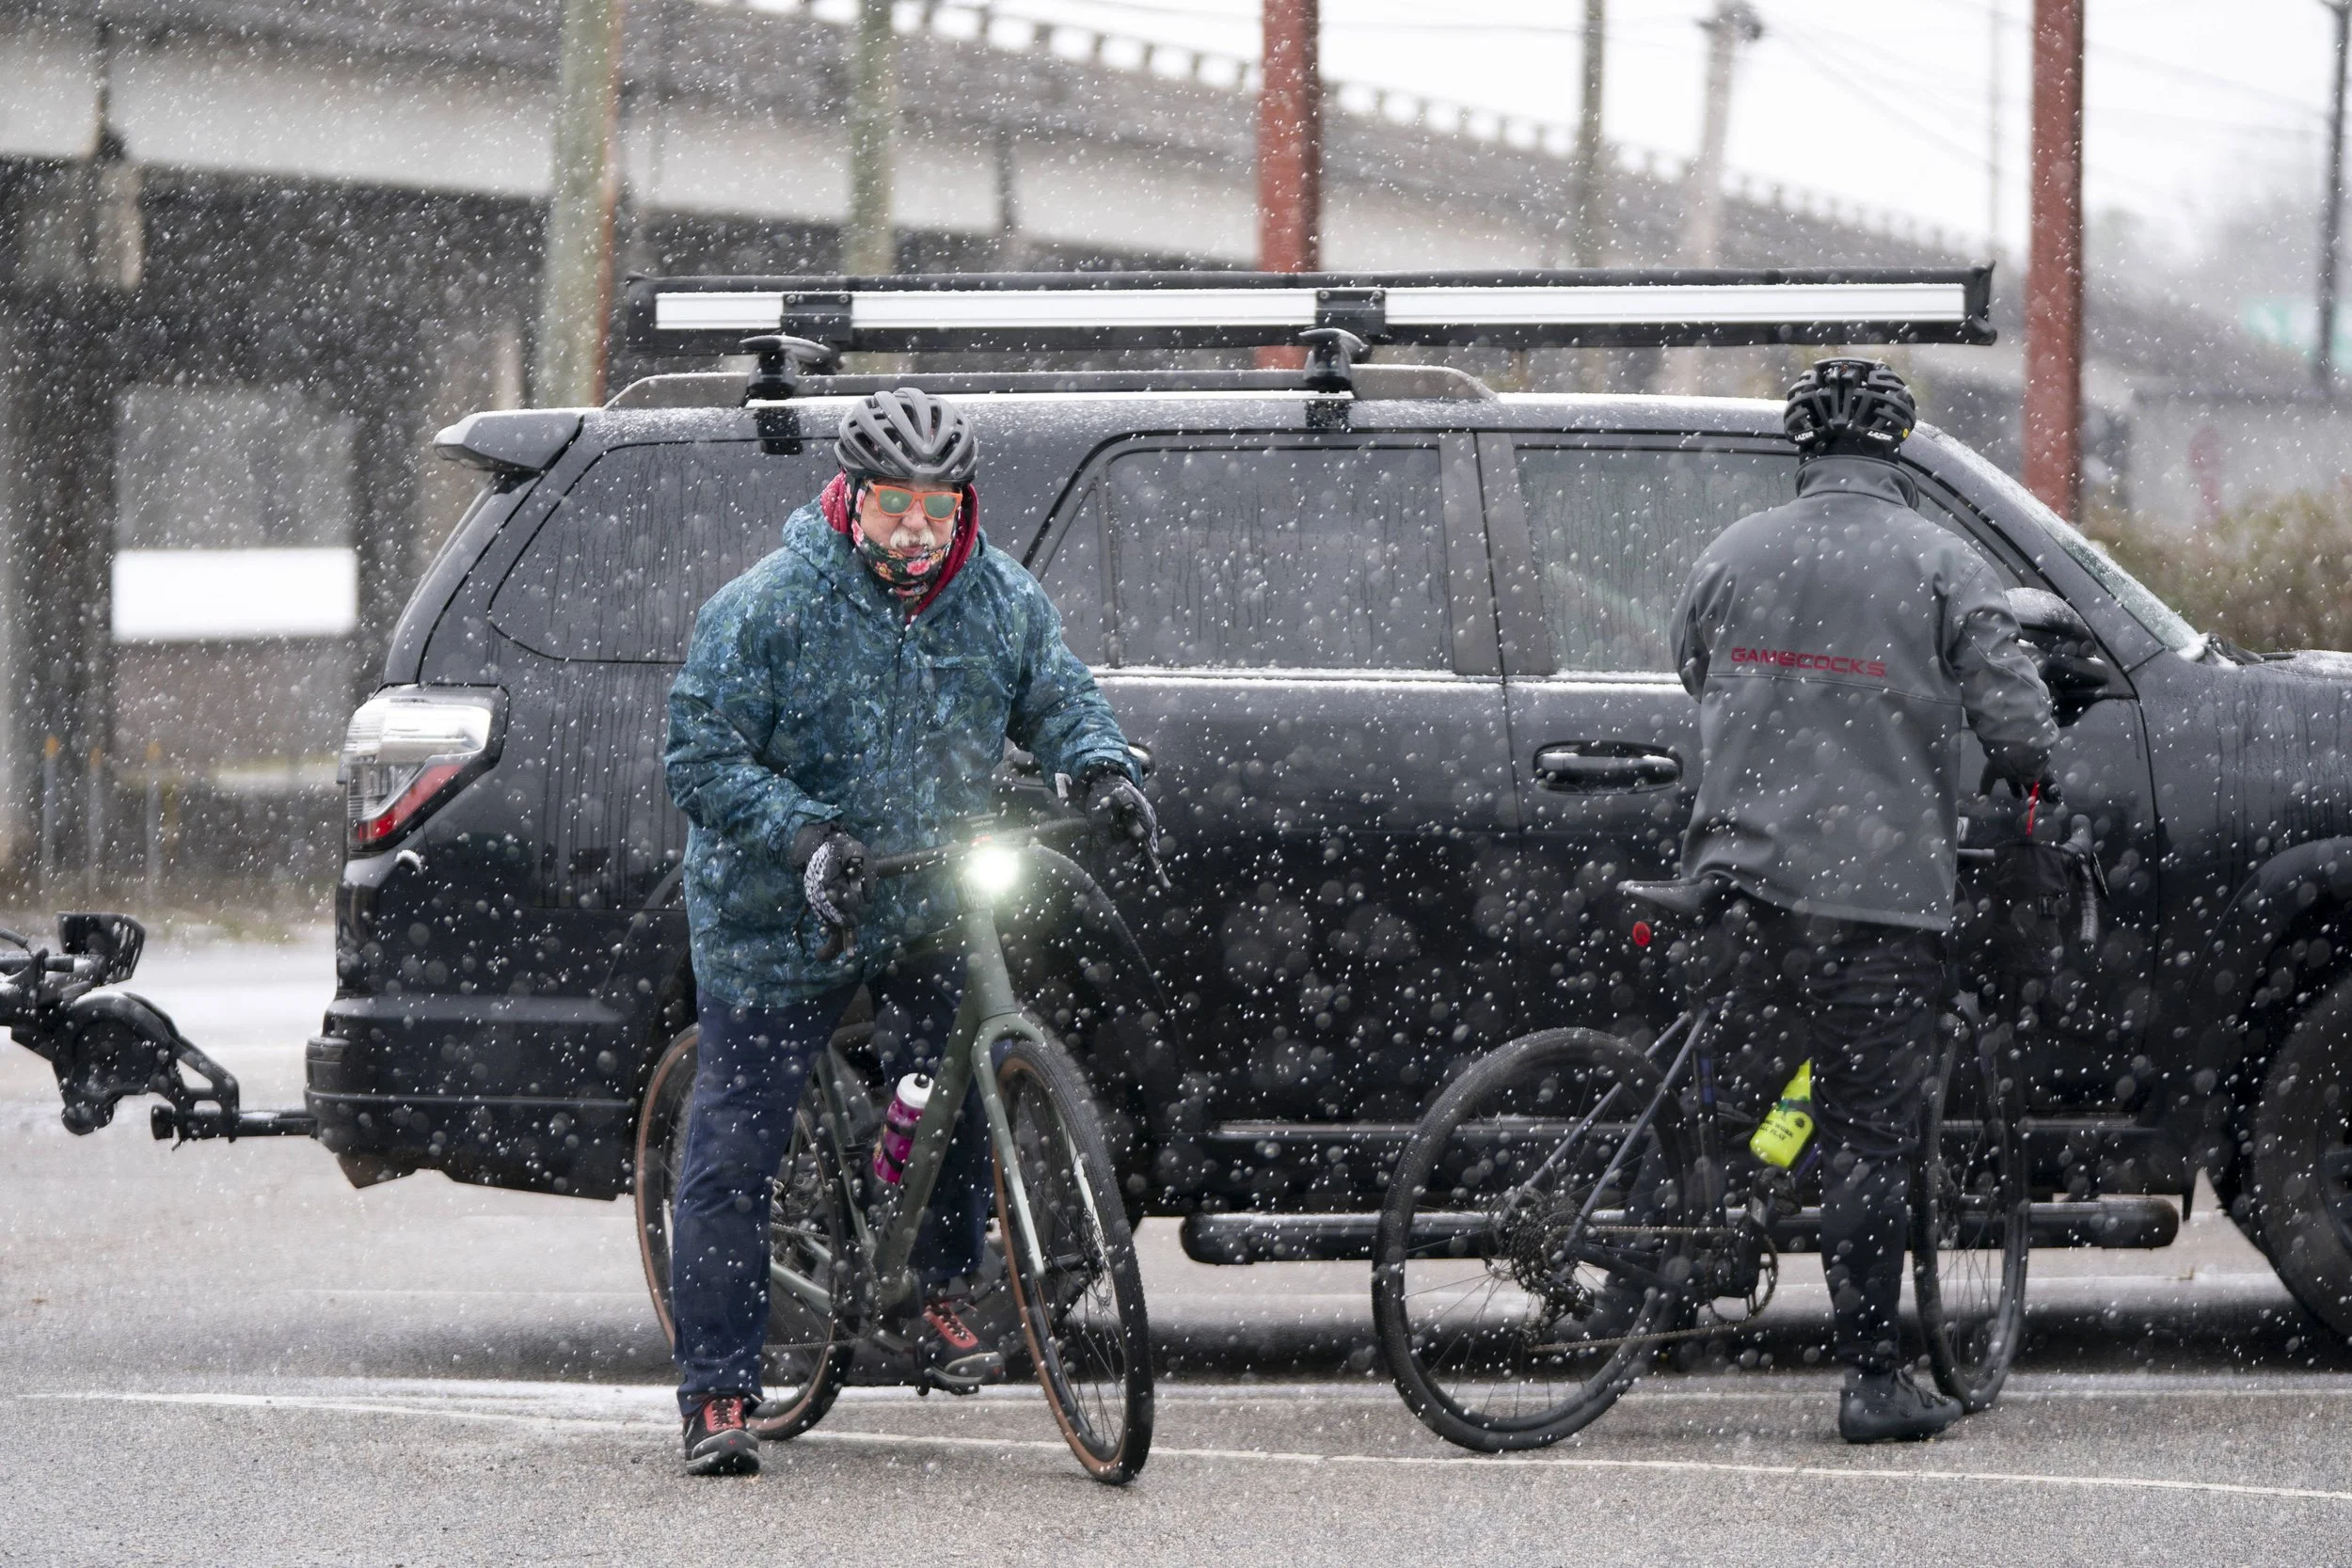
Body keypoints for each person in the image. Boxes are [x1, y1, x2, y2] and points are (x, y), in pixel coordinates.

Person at [662, 388, 1154, 1477]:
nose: (918, 529)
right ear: (850, 498)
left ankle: (934, 1285)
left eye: (938, 506)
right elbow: (699, 757)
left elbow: (1057, 694)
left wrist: (1102, 766)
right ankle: (720, 1389)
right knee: (734, 1145)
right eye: (895, 506)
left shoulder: (999, 597)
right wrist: (802, 838)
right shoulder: (768, 605)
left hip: (926, 889)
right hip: (778, 908)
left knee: (962, 1071)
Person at [1669, 357, 2058, 1444]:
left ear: (1803, 448)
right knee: (1866, 1134)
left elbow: (1693, 669)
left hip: (1735, 875)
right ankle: (1870, 1377)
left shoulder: (1731, 552)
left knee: (1740, 1079)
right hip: (1876, 894)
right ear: (1895, 451)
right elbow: (2018, 725)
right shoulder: (1942, 561)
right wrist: (2029, 768)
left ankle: (1684, 1238)